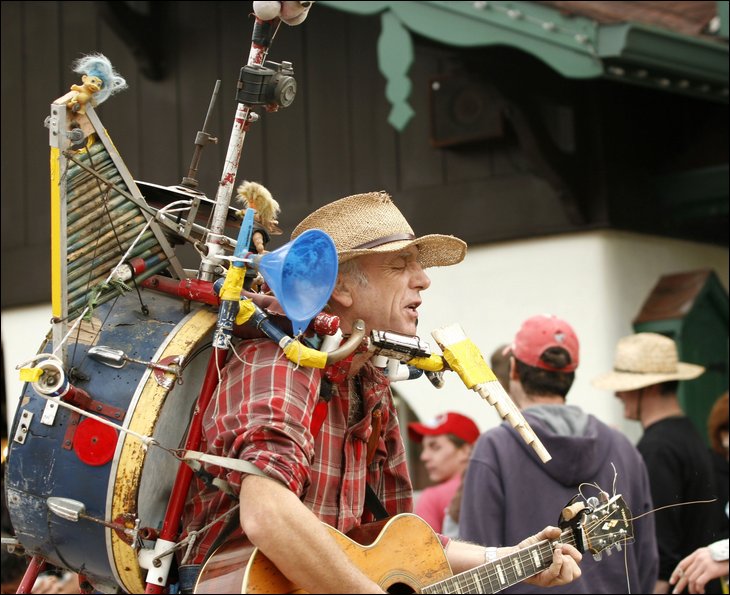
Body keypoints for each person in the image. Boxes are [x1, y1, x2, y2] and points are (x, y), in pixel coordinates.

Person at [179, 192, 583, 593]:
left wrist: (509, 560)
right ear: (341, 289)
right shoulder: (280, 364)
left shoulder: (369, 382)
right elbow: (268, 515)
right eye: (400, 264)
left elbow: (401, 546)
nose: (423, 279)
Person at [460, 314, 659, 594]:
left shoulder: (495, 448)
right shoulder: (623, 448)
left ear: (513, 369)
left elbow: (475, 566)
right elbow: (647, 562)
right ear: (570, 377)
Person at [593, 332, 726, 594]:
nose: (618, 394)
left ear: (651, 387)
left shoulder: (658, 449)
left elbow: (660, 556)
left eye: (625, 386)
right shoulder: (687, 432)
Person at [407, 411, 479, 534]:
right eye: (423, 448)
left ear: (465, 451)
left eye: (435, 447)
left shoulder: (432, 498)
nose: (424, 456)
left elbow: (425, 551)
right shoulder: (497, 485)